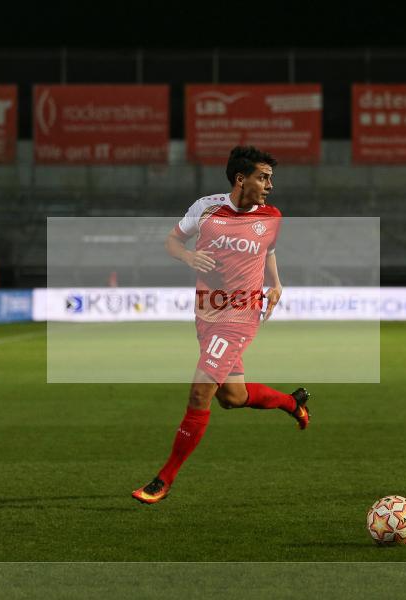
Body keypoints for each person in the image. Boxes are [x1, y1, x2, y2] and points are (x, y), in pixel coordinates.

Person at [132, 146, 311, 505]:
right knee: (233, 397)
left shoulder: (271, 216)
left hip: (240, 316)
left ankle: (163, 481)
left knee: (200, 393)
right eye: (263, 177)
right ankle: (291, 403)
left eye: (271, 178)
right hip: (207, 312)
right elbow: (171, 241)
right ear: (240, 178)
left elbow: (269, 251)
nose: (269, 185)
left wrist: (276, 285)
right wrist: (187, 255)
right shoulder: (206, 208)